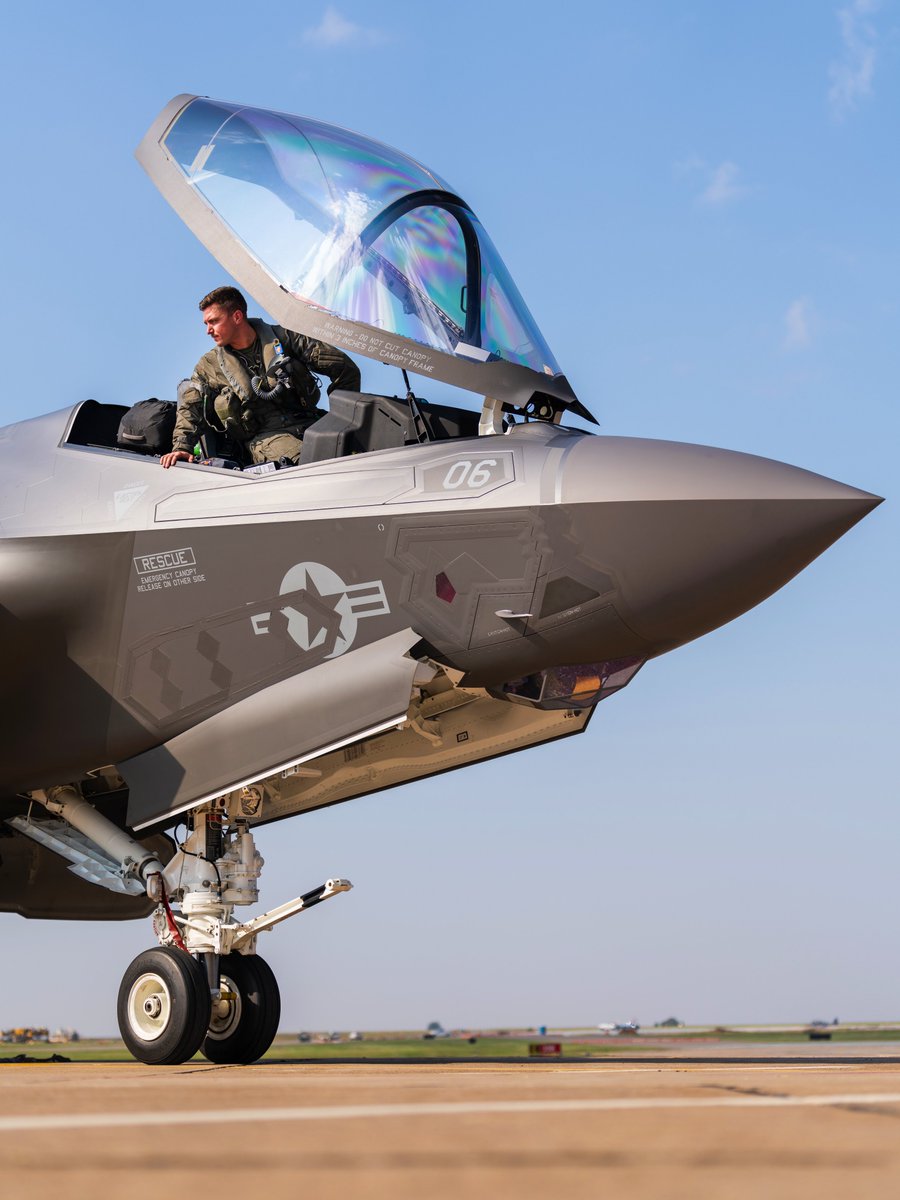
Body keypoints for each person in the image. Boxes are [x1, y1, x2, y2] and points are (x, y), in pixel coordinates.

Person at [160, 286, 360, 468]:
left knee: (364, 454)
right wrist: (181, 447)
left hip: (311, 422)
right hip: (266, 438)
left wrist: (342, 421)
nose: (208, 330)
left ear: (237, 317)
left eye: (213, 321)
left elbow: (343, 368)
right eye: (206, 323)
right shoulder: (210, 365)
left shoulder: (285, 338)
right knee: (314, 464)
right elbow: (190, 407)